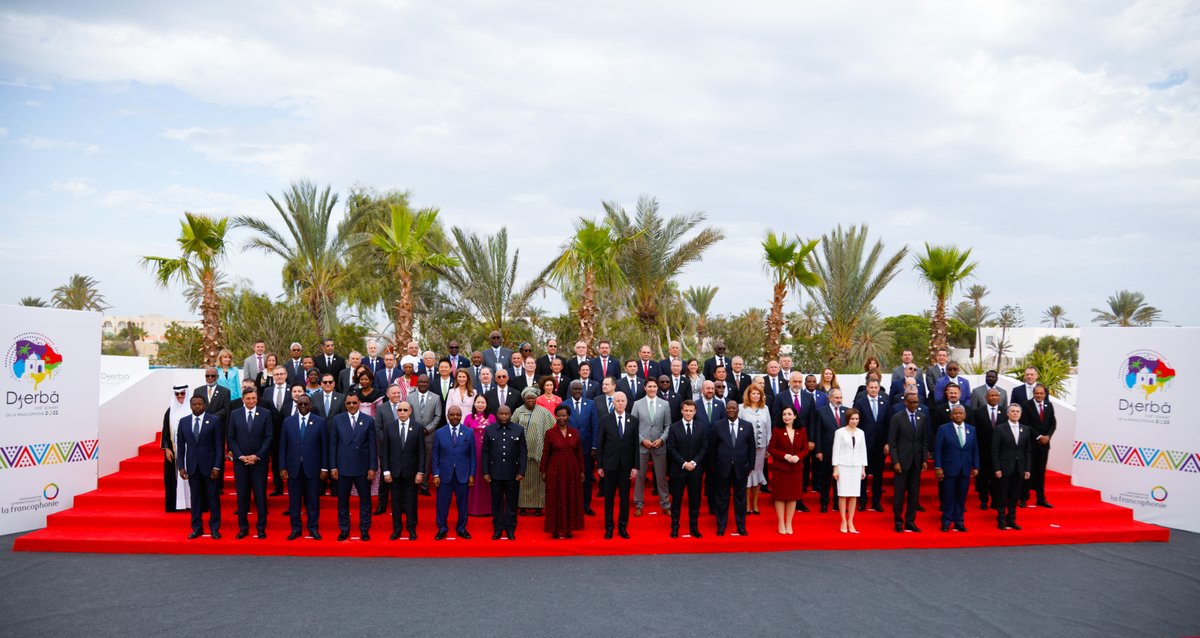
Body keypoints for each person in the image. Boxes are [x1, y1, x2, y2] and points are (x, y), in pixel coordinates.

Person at [278, 394, 327, 540]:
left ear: (310, 405)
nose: (303, 407)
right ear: (297, 405)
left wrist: (324, 468)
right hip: (293, 469)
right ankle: (296, 529)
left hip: (313, 468)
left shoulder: (320, 422)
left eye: (306, 404)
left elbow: (324, 446)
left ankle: (313, 528)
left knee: (313, 501)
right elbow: (283, 446)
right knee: (294, 501)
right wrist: (282, 467)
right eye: (301, 404)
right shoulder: (288, 422)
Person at [330, 394, 376, 541]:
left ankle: (364, 529)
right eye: (349, 403)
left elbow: (372, 446)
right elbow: (333, 445)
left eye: (354, 402)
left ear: (359, 403)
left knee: (365, 501)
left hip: (362, 467)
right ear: (345, 404)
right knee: (342, 501)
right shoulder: (338, 420)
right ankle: (344, 529)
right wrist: (333, 466)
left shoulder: (368, 420)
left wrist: (372, 467)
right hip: (343, 467)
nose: (351, 405)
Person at [227, 388, 272, 539]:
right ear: (243, 399)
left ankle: (261, 528)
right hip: (241, 463)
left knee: (260, 496)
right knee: (242, 496)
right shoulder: (235, 414)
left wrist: (257, 456)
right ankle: (243, 528)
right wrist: (240, 456)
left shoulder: (265, 414)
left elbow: (268, 437)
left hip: (259, 462)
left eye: (254, 398)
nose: (251, 401)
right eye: (248, 399)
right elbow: (231, 438)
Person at [177, 395, 223, 539]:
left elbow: (219, 446)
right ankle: (197, 528)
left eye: (200, 404)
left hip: (210, 468)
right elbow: (181, 447)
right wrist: (181, 466)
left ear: (204, 405)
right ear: (190, 406)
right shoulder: (183, 422)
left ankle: (214, 528)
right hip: (192, 467)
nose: (197, 406)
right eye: (194, 404)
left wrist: (217, 466)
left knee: (213, 498)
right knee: (195, 498)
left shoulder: (214, 420)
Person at [379, 399, 425, 541]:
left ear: (410, 411)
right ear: (396, 412)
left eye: (405, 410)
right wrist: (386, 471)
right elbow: (385, 450)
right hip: (394, 472)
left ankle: (411, 529)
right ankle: (397, 529)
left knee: (411, 502)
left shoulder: (417, 427)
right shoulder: (389, 426)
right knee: (396, 502)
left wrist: (420, 472)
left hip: (411, 472)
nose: (403, 413)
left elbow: (422, 452)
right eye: (400, 410)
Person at [596, 391, 638, 539]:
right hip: (609, 465)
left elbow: (635, 446)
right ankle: (609, 527)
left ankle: (622, 527)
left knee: (625, 499)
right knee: (609, 499)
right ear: (612, 403)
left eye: (623, 401)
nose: (620, 403)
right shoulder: (605, 419)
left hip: (626, 466)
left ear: (627, 403)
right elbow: (600, 444)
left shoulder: (633, 420)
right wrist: (599, 465)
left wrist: (635, 466)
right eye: (617, 401)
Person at [710, 400, 754, 537]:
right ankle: (721, 526)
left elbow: (751, 448)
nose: (730, 410)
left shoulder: (747, 426)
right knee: (722, 499)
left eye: (733, 408)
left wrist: (749, 466)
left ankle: (741, 526)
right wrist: (714, 466)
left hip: (741, 469)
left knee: (740, 499)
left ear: (737, 409)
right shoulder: (717, 426)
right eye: (728, 408)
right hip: (722, 468)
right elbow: (712, 449)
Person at [540, 404, 585, 538]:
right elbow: (546, 453)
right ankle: (555, 529)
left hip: (572, 469)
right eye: (559, 415)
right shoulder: (550, 433)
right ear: (555, 416)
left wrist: (582, 470)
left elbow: (579, 453)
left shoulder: (574, 432)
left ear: (568, 416)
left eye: (564, 415)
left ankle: (569, 529)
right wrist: (543, 470)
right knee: (555, 498)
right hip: (555, 469)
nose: (561, 418)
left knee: (570, 497)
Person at [482, 405, 526, 540]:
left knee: (512, 503)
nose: (504, 416)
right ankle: (497, 528)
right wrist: (485, 472)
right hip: (495, 473)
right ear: (497, 414)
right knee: (497, 503)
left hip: (513, 473)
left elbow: (523, 452)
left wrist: (521, 471)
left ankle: (511, 528)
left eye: (506, 414)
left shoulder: (518, 429)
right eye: (501, 414)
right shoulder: (489, 430)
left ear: (511, 414)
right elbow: (485, 452)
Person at [666, 400, 708, 538]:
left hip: (695, 471)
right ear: (682, 411)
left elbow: (704, 448)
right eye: (686, 410)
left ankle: (694, 528)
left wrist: (694, 462)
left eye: (691, 411)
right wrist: (684, 463)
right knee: (676, 501)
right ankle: (675, 528)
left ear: (695, 412)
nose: (688, 413)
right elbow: (671, 448)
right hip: (678, 470)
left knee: (695, 501)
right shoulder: (674, 427)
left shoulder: (702, 427)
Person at [934, 405, 979, 532]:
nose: (958, 415)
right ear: (951, 415)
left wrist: (976, 466)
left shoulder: (971, 429)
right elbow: (938, 450)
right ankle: (946, 521)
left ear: (965, 415)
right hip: (949, 468)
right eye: (955, 413)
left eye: (960, 413)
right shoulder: (943, 429)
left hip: (965, 468)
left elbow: (975, 449)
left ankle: (959, 521)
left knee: (961, 497)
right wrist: (938, 467)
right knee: (948, 496)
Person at [432, 406, 475, 540]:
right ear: (447, 416)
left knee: (462, 504)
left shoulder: (468, 432)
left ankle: (461, 528)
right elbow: (435, 455)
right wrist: (436, 474)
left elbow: (472, 456)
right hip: (444, 475)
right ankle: (442, 528)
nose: (455, 417)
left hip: (463, 475)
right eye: (452, 414)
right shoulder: (439, 433)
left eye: (458, 415)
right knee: (442, 504)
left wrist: (471, 474)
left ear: (461, 416)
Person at [630, 377, 671, 517]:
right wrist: (642, 440)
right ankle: (639, 504)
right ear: (645, 388)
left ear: (657, 388)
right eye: (650, 386)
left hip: (659, 445)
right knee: (640, 477)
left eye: (654, 386)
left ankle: (665, 504)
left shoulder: (665, 404)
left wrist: (662, 439)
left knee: (661, 477)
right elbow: (633, 426)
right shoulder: (637, 404)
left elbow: (668, 426)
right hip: (642, 445)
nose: (652, 389)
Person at [889, 392, 928, 533]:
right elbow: (892, 442)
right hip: (902, 462)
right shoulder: (897, 418)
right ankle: (898, 521)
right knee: (899, 494)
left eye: (916, 402)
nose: (914, 405)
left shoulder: (922, 417)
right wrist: (895, 461)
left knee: (914, 494)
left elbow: (924, 440)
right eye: (911, 402)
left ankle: (910, 521)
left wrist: (924, 459)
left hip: (916, 462)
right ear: (905, 402)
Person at [767, 405, 810, 533]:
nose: (787, 417)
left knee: (793, 497)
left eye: (789, 414)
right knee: (780, 496)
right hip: (781, 469)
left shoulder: (801, 430)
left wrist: (798, 456)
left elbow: (805, 448)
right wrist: (784, 455)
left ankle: (789, 523)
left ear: (795, 416)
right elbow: (771, 448)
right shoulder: (777, 430)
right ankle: (781, 522)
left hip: (796, 469)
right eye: (784, 414)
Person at [514, 386, 554, 515]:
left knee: (538, 481)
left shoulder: (544, 412)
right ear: (524, 399)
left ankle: (538, 506)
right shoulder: (518, 411)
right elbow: (512, 427)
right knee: (522, 481)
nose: (530, 400)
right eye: (528, 398)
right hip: (522, 454)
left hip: (538, 453)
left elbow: (551, 429)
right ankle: (523, 506)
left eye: (532, 397)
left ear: (536, 398)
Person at [852, 377, 889, 512]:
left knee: (878, 474)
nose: (873, 390)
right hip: (864, 444)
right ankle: (862, 501)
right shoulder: (860, 403)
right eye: (871, 387)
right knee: (863, 474)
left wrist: (887, 442)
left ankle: (876, 502)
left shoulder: (885, 402)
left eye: (876, 387)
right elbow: (855, 423)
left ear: (879, 388)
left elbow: (888, 423)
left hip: (880, 444)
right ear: (867, 388)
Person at [993, 403, 1032, 530]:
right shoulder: (1000, 428)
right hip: (1004, 467)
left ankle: (1011, 519)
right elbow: (995, 450)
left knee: (1015, 495)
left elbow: (1028, 451)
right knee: (1002, 494)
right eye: (1013, 411)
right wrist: (997, 467)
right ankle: (1001, 518)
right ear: (1008, 414)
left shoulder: (1025, 429)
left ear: (1020, 414)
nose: (1015, 413)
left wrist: (1027, 468)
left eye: (1017, 412)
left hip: (1019, 468)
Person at [564, 380, 599, 516]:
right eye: (575, 389)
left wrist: (594, 447)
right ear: (571, 390)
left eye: (580, 389)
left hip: (586, 448)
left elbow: (595, 426)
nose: (578, 391)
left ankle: (586, 505)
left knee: (586, 479)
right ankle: (572, 505)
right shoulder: (564, 404)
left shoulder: (590, 404)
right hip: (569, 449)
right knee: (570, 478)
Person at [831, 409, 868, 534]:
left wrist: (863, 467)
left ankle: (851, 521)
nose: (854, 421)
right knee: (842, 494)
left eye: (857, 419)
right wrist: (835, 468)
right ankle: (843, 520)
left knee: (854, 495)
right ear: (847, 419)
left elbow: (863, 450)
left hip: (856, 466)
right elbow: (835, 450)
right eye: (852, 419)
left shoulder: (861, 433)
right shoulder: (840, 432)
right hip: (843, 465)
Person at [1021, 384, 1056, 508]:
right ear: (1033, 393)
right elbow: (1025, 424)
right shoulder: (1026, 405)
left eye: (1041, 393)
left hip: (1044, 445)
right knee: (1028, 471)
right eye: (1037, 393)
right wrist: (1039, 436)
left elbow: (1053, 423)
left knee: (1041, 472)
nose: (1039, 395)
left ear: (1045, 394)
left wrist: (1048, 436)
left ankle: (1041, 498)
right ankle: (1024, 498)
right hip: (1031, 445)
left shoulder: (1049, 405)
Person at [813, 388, 848, 513]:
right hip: (827, 451)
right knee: (825, 479)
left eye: (840, 397)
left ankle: (837, 504)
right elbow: (817, 432)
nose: (839, 400)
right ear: (830, 398)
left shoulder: (846, 411)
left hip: (843, 452)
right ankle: (824, 503)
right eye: (836, 398)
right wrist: (818, 450)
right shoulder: (822, 411)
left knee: (840, 479)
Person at [740, 383, 771, 515]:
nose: (756, 396)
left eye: (758, 393)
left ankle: (755, 503)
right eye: (753, 393)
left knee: (758, 474)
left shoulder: (765, 409)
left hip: (761, 448)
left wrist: (768, 446)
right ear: (748, 394)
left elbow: (768, 428)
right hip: (746, 448)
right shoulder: (742, 408)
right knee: (748, 474)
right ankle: (747, 504)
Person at [161, 384, 192, 513]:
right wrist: (167, 448)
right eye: (177, 394)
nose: (180, 396)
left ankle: (191, 503)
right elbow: (165, 432)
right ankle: (177, 504)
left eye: (182, 393)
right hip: (174, 450)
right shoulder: (170, 411)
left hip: (191, 450)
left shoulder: (193, 408)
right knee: (174, 477)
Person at [410, 374, 443, 497]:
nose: (423, 384)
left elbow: (438, 415)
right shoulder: (409, 397)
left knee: (427, 460)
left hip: (429, 434)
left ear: (428, 383)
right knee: (413, 459)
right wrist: (414, 429)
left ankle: (424, 485)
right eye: (420, 382)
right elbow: (407, 414)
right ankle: (413, 484)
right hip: (413, 434)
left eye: (425, 382)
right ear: (417, 383)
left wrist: (429, 429)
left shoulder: (435, 398)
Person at [972, 387, 1003, 510]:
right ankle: (983, 500)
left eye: (996, 395)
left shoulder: (1004, 412)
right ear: (986, 398)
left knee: (997, 479)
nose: (994, 398)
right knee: (983, 478)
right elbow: (975, 433)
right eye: (991, 396)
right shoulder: (978, 412)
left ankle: (995, 500)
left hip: (1000, 453)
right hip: (983, 451)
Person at [464, 395, 495, 517]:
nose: (480, 404)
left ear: (486, 404)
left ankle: (488, 508)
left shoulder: (492, 418)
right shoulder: (468, 418)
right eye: (478, 402)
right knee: (473, 479)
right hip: (472, 452)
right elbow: (464, 435)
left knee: (486, 479)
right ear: (474, 403)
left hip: (488, 452)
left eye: (483, 402)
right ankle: (472, 508)